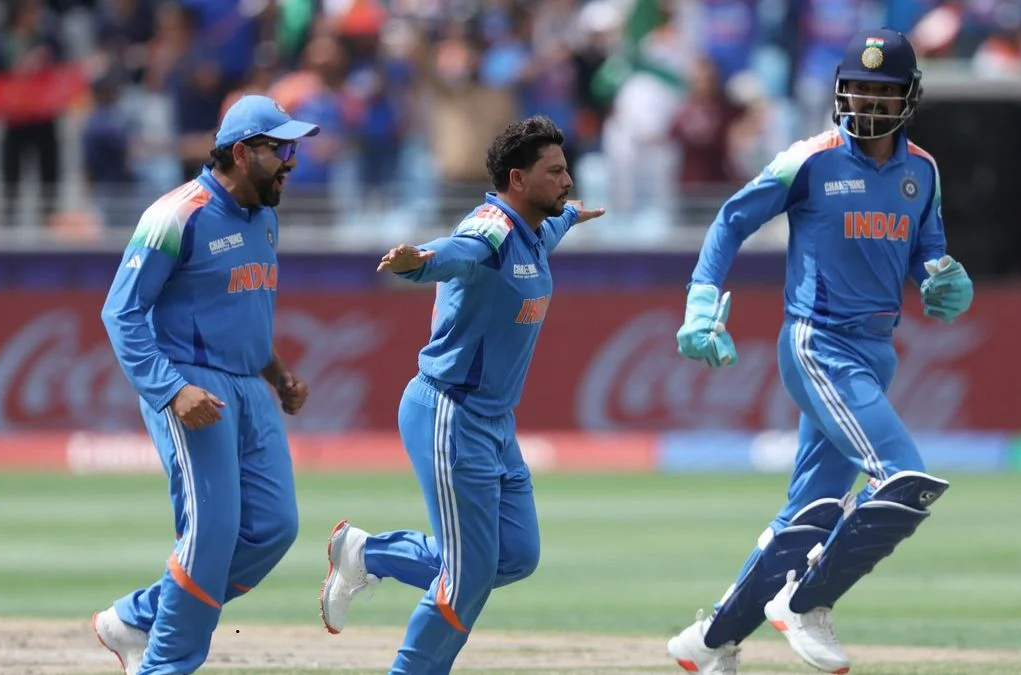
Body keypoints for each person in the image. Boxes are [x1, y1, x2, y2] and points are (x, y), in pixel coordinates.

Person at [666, 28, 974, 675]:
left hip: (876, 351)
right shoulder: (810, 160)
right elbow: (732, 219)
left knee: (809, 515)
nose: (867, 101)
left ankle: (709, 641)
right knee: (904, 480)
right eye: (857, 88)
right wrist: (701, 299)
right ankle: (805, 602)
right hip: (818, 343)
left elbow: (927, 248)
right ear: (839, 91)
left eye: (882, 91)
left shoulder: (922, 171)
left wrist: (942, 278)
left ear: (909, 96)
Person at [317, 115, 604, 674]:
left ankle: (366, 553)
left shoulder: (534, 229)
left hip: (494, 423)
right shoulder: (491, 228)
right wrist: (420, 262)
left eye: (566, 169)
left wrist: (571, 213)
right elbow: (459, 250)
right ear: (517, 179)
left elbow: (551, 228)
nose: (567, 180)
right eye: (555, 172)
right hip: (451, 412)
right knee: (468, 573)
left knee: (515, 555)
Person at [92, 94, 318, 675]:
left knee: (273, 529)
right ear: (242, 153)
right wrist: (170, 391)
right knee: (212, 532)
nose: (292, 161)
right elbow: (121, 313)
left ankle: (137, 617)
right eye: (280, 149)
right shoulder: (175, 215)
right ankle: (164, 666)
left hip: (250, 387)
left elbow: (241, 311)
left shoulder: (265, 216)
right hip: (190, 385)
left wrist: (277, 374)